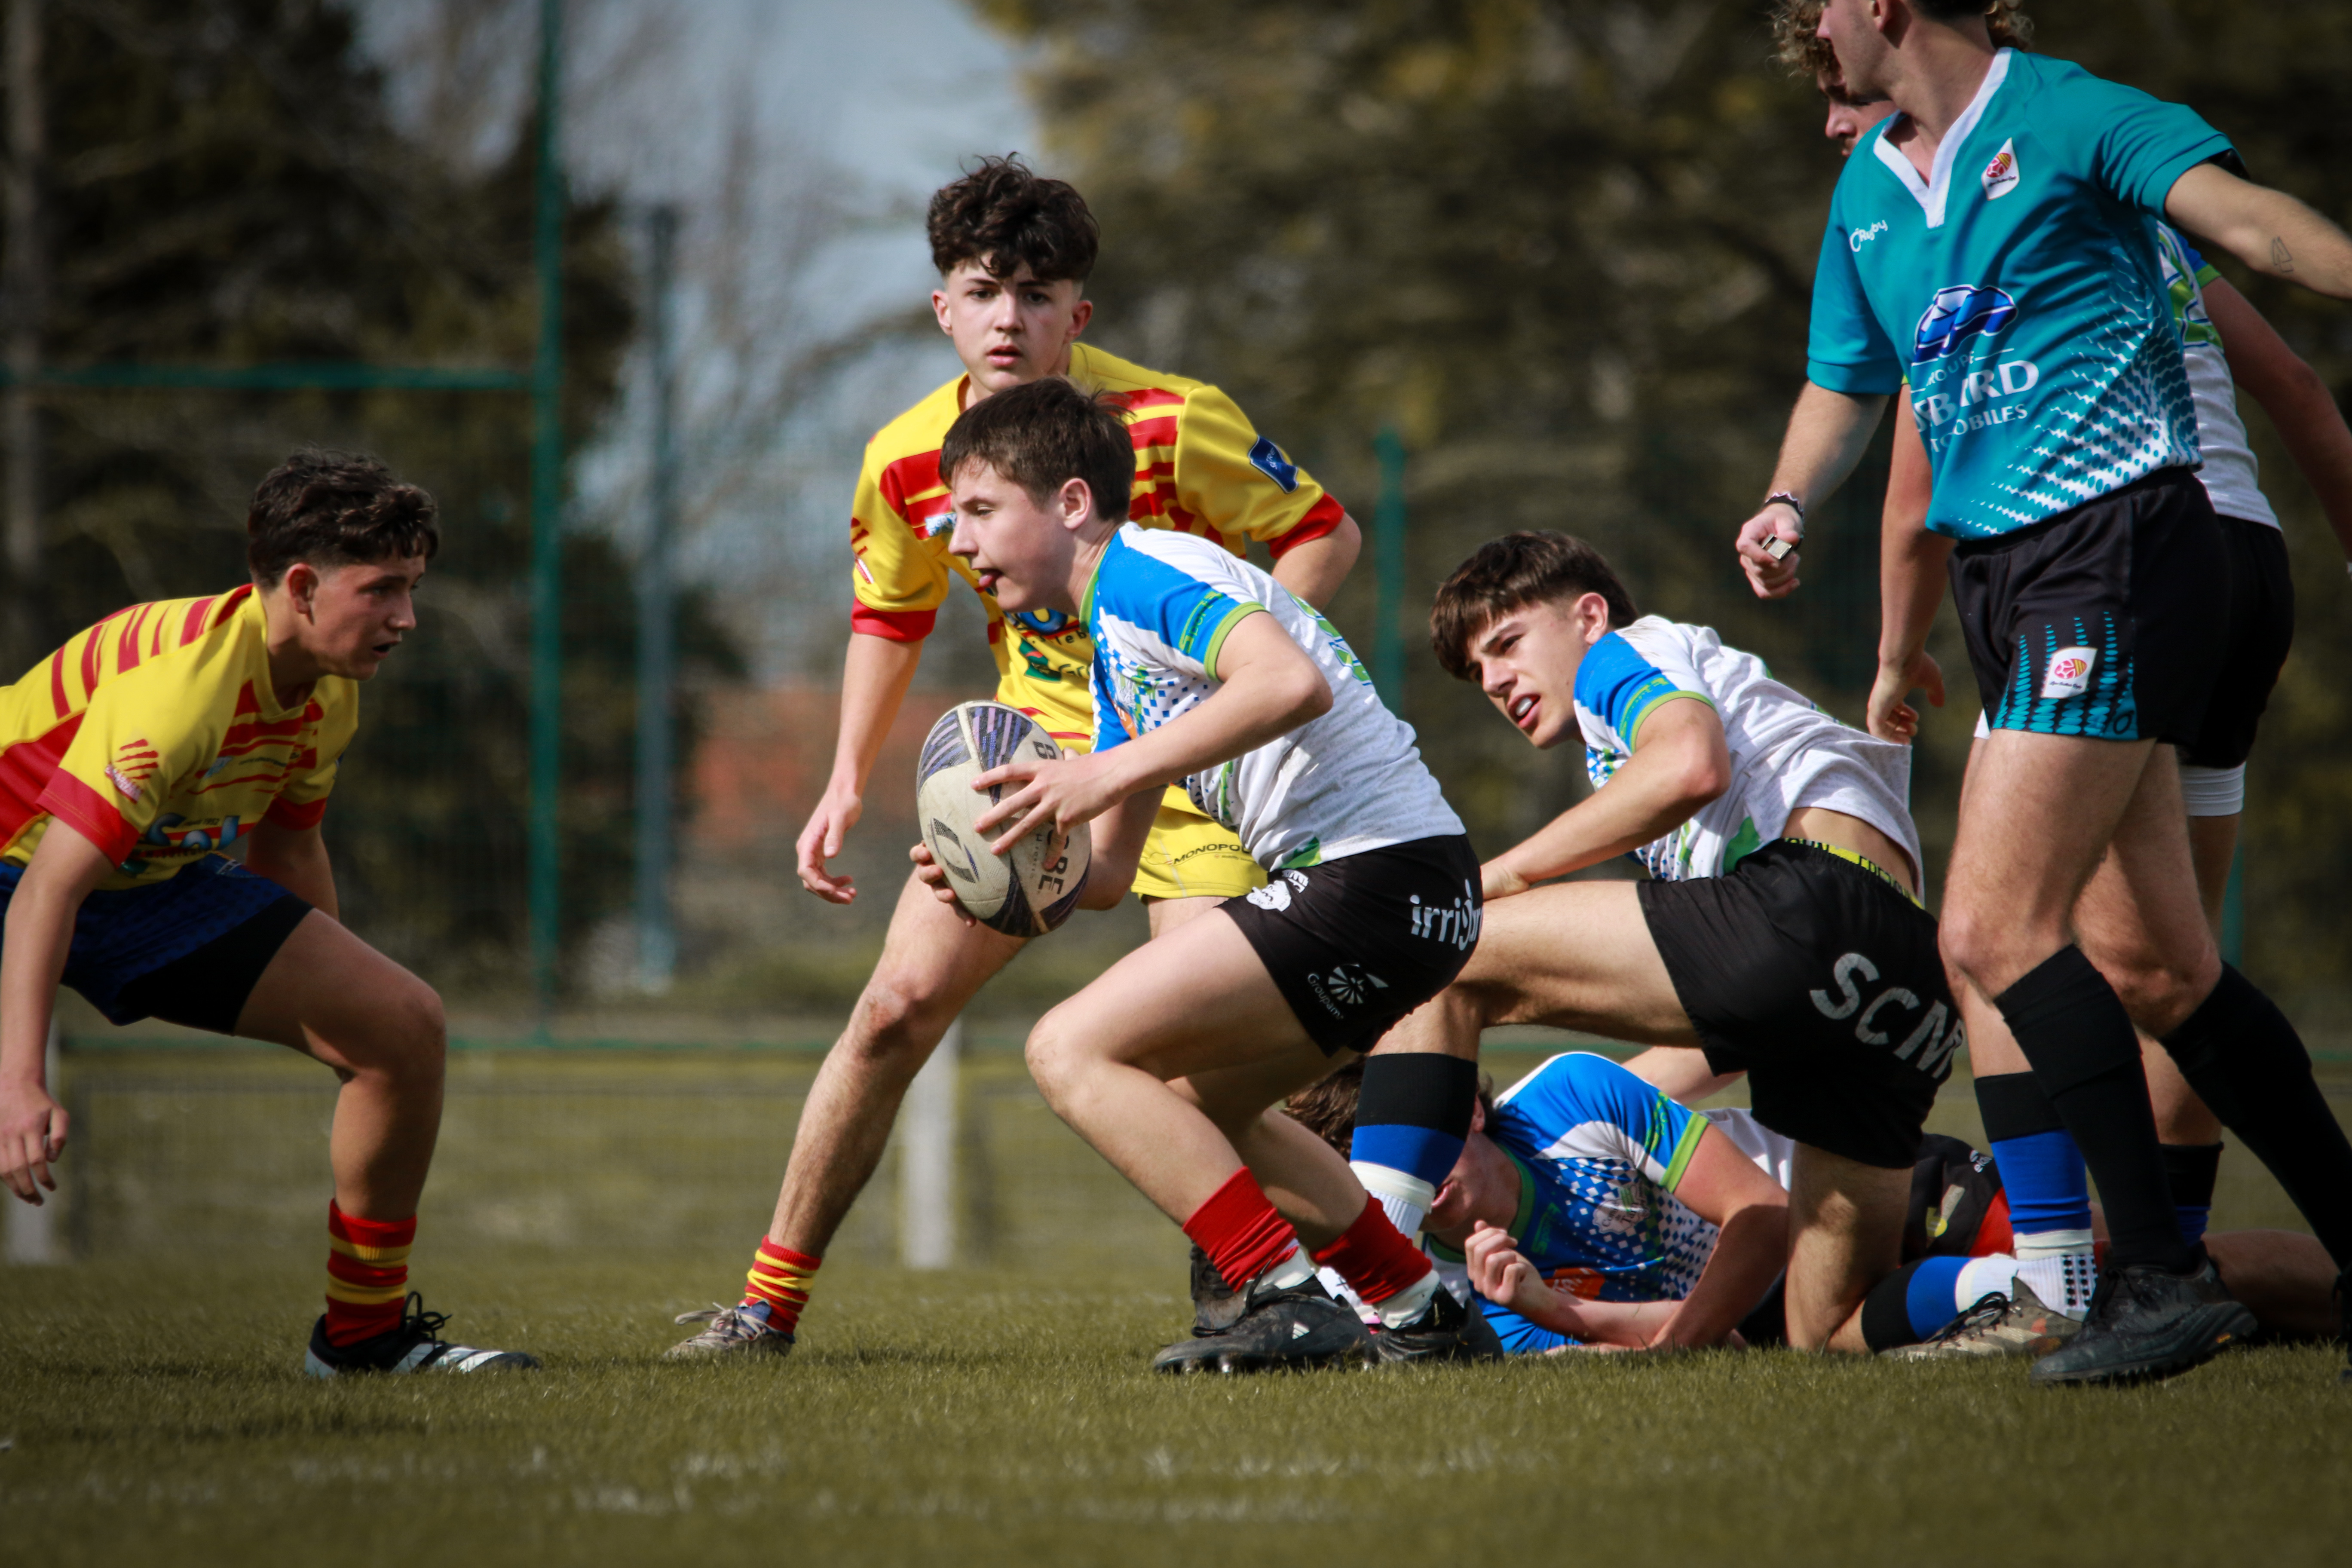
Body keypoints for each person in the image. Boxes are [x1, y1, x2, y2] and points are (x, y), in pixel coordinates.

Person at [1736, 0, 2352, 1383]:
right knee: (2155, 967)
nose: (1808, 32)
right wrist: (1784, 501)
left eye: (1820, 8)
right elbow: (1846, 383)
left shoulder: (2069, 112)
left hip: (2116, 540)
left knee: (1990, 932)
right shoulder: (1869, 188)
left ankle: (2154, 1276)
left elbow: (2258, 232)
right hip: (2007, 577)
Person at [668, 157, 1366, 1360]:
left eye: (1037, 295)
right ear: (942, 307)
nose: (1010, 319)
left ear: (1076, 314)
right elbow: (888, 615)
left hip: (1196, 780)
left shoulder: (1173, 419)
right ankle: (764, 1313)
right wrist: (845, 778)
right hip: (1032, 774)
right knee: (892, 1011)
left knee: (1209, 1071)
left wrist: (1212, 693)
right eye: (984, 291)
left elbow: (1323, 534)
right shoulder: (905, 457)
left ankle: (1293, 1300)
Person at [916, 375, 1492, 1372]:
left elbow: (1289, 684)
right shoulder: (1113, 644)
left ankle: (1282, 1297)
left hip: (1376, 877)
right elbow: (1108, 874)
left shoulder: (1147, 570)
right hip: (1414, 895)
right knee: (1198, 1104)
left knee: (1067, 1049)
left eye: (979, 510)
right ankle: (1418, 1309)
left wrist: (1097, 771)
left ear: (1071, 503)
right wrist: (996, 864)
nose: (958, 541)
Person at [0, 451, 535, 1378]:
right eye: (383, 590)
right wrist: (18, 1082)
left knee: (400, 1027)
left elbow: (287, 851)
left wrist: (338, 1017)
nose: (407, 619)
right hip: (25, 874)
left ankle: (363, 1343)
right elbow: (49, 887)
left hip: (142, 880)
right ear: (301, 586)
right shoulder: (179, 691)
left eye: (412, 589)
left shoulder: (327, 692)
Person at [1377, 529, 1953, 1354]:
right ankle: (2025, 1291)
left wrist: (1502, 874)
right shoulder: (1639, 755)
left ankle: (1374, 1289)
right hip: (1902, 994)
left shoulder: (1620, 655)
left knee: (1448, 954)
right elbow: (1726, 1014)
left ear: (1588, 616)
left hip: (1816, 903)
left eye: (1506, 644)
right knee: (1826, 1331)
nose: (1495, 681)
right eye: (1478, 673)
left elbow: (1689, 766)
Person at [1291, 1051, 2341, 1355]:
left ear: (1467, 1112)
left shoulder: (1570, 1097)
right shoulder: (1463, 1294)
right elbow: (1706, 1343)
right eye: (1386, 1188)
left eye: (1417, 1159)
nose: (1419, 1194)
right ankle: (2013, 1296)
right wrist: (1555, 1313)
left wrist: (1611, 1324)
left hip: (1873, 1193)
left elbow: (1760, 1216)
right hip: (1807, 1315)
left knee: (2135, 1269)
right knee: (2053, 1305)